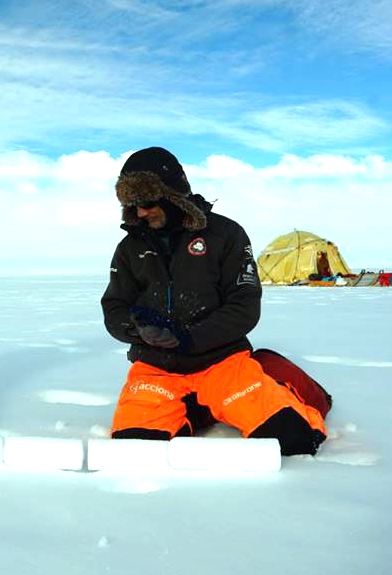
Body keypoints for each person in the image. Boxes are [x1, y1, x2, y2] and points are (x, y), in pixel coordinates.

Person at [101, 147, 331, 456]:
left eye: (147, 202)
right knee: (135, 449)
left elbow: (244, 306)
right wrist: (137, 330)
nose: (141, 212)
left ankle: (274, 380)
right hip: (156, 368)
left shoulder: (226, 234)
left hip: (222, 362)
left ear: (172, 194)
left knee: (295, 439)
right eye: (133, 205)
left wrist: (189, 338)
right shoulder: (129, 248)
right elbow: (114, 306)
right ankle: (200, 406)